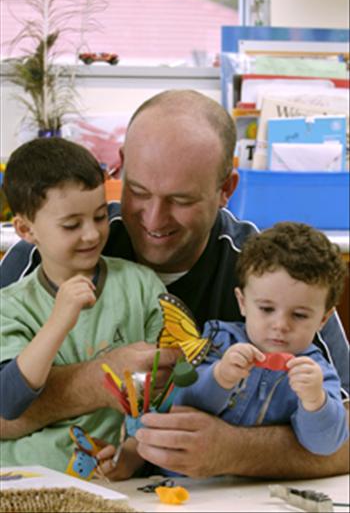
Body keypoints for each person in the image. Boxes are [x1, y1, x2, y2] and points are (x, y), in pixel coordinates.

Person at [0, 90, 349, 479]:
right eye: (139, 191)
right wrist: (92, 382)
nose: (154, 218)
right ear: (120, 168)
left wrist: (235, 450)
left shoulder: (274, 272)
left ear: (226, 191)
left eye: (181, 200)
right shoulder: (45, 257)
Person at [0, 137, 178, 474]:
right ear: (26, 229)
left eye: (99, 217)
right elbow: (8, 402)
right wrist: (58, 322)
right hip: (21, 481)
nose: (92, 235)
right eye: (71, 225)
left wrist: (132, 453)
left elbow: (174, 388)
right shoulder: (10, 306)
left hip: (108, 482)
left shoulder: (140, 286)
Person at [173, 222, 348, 456]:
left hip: (259, 488)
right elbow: (179, 405)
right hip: (185, 484)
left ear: (323, 320)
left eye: (299, 315)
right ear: (242, 302)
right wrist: (219, 377)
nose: (280, 325)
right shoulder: (217, 343)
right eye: (266, 309)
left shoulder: (317, 373)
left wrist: (316, 401)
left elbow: (325, 446)